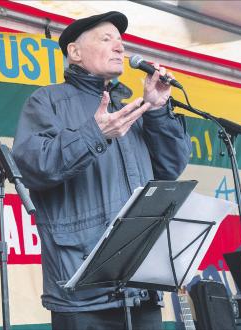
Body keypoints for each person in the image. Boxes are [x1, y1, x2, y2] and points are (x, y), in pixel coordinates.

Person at [12, 11, 191, 330]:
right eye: (106, 39)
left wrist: (158, 111)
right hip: (82, 290)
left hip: (140, 285)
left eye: (121, 42)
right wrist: (95, 133)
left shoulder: (132, 106)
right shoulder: (46, 102)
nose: (119, 48)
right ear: (75, 52)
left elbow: (170, 168)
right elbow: (35, 168)